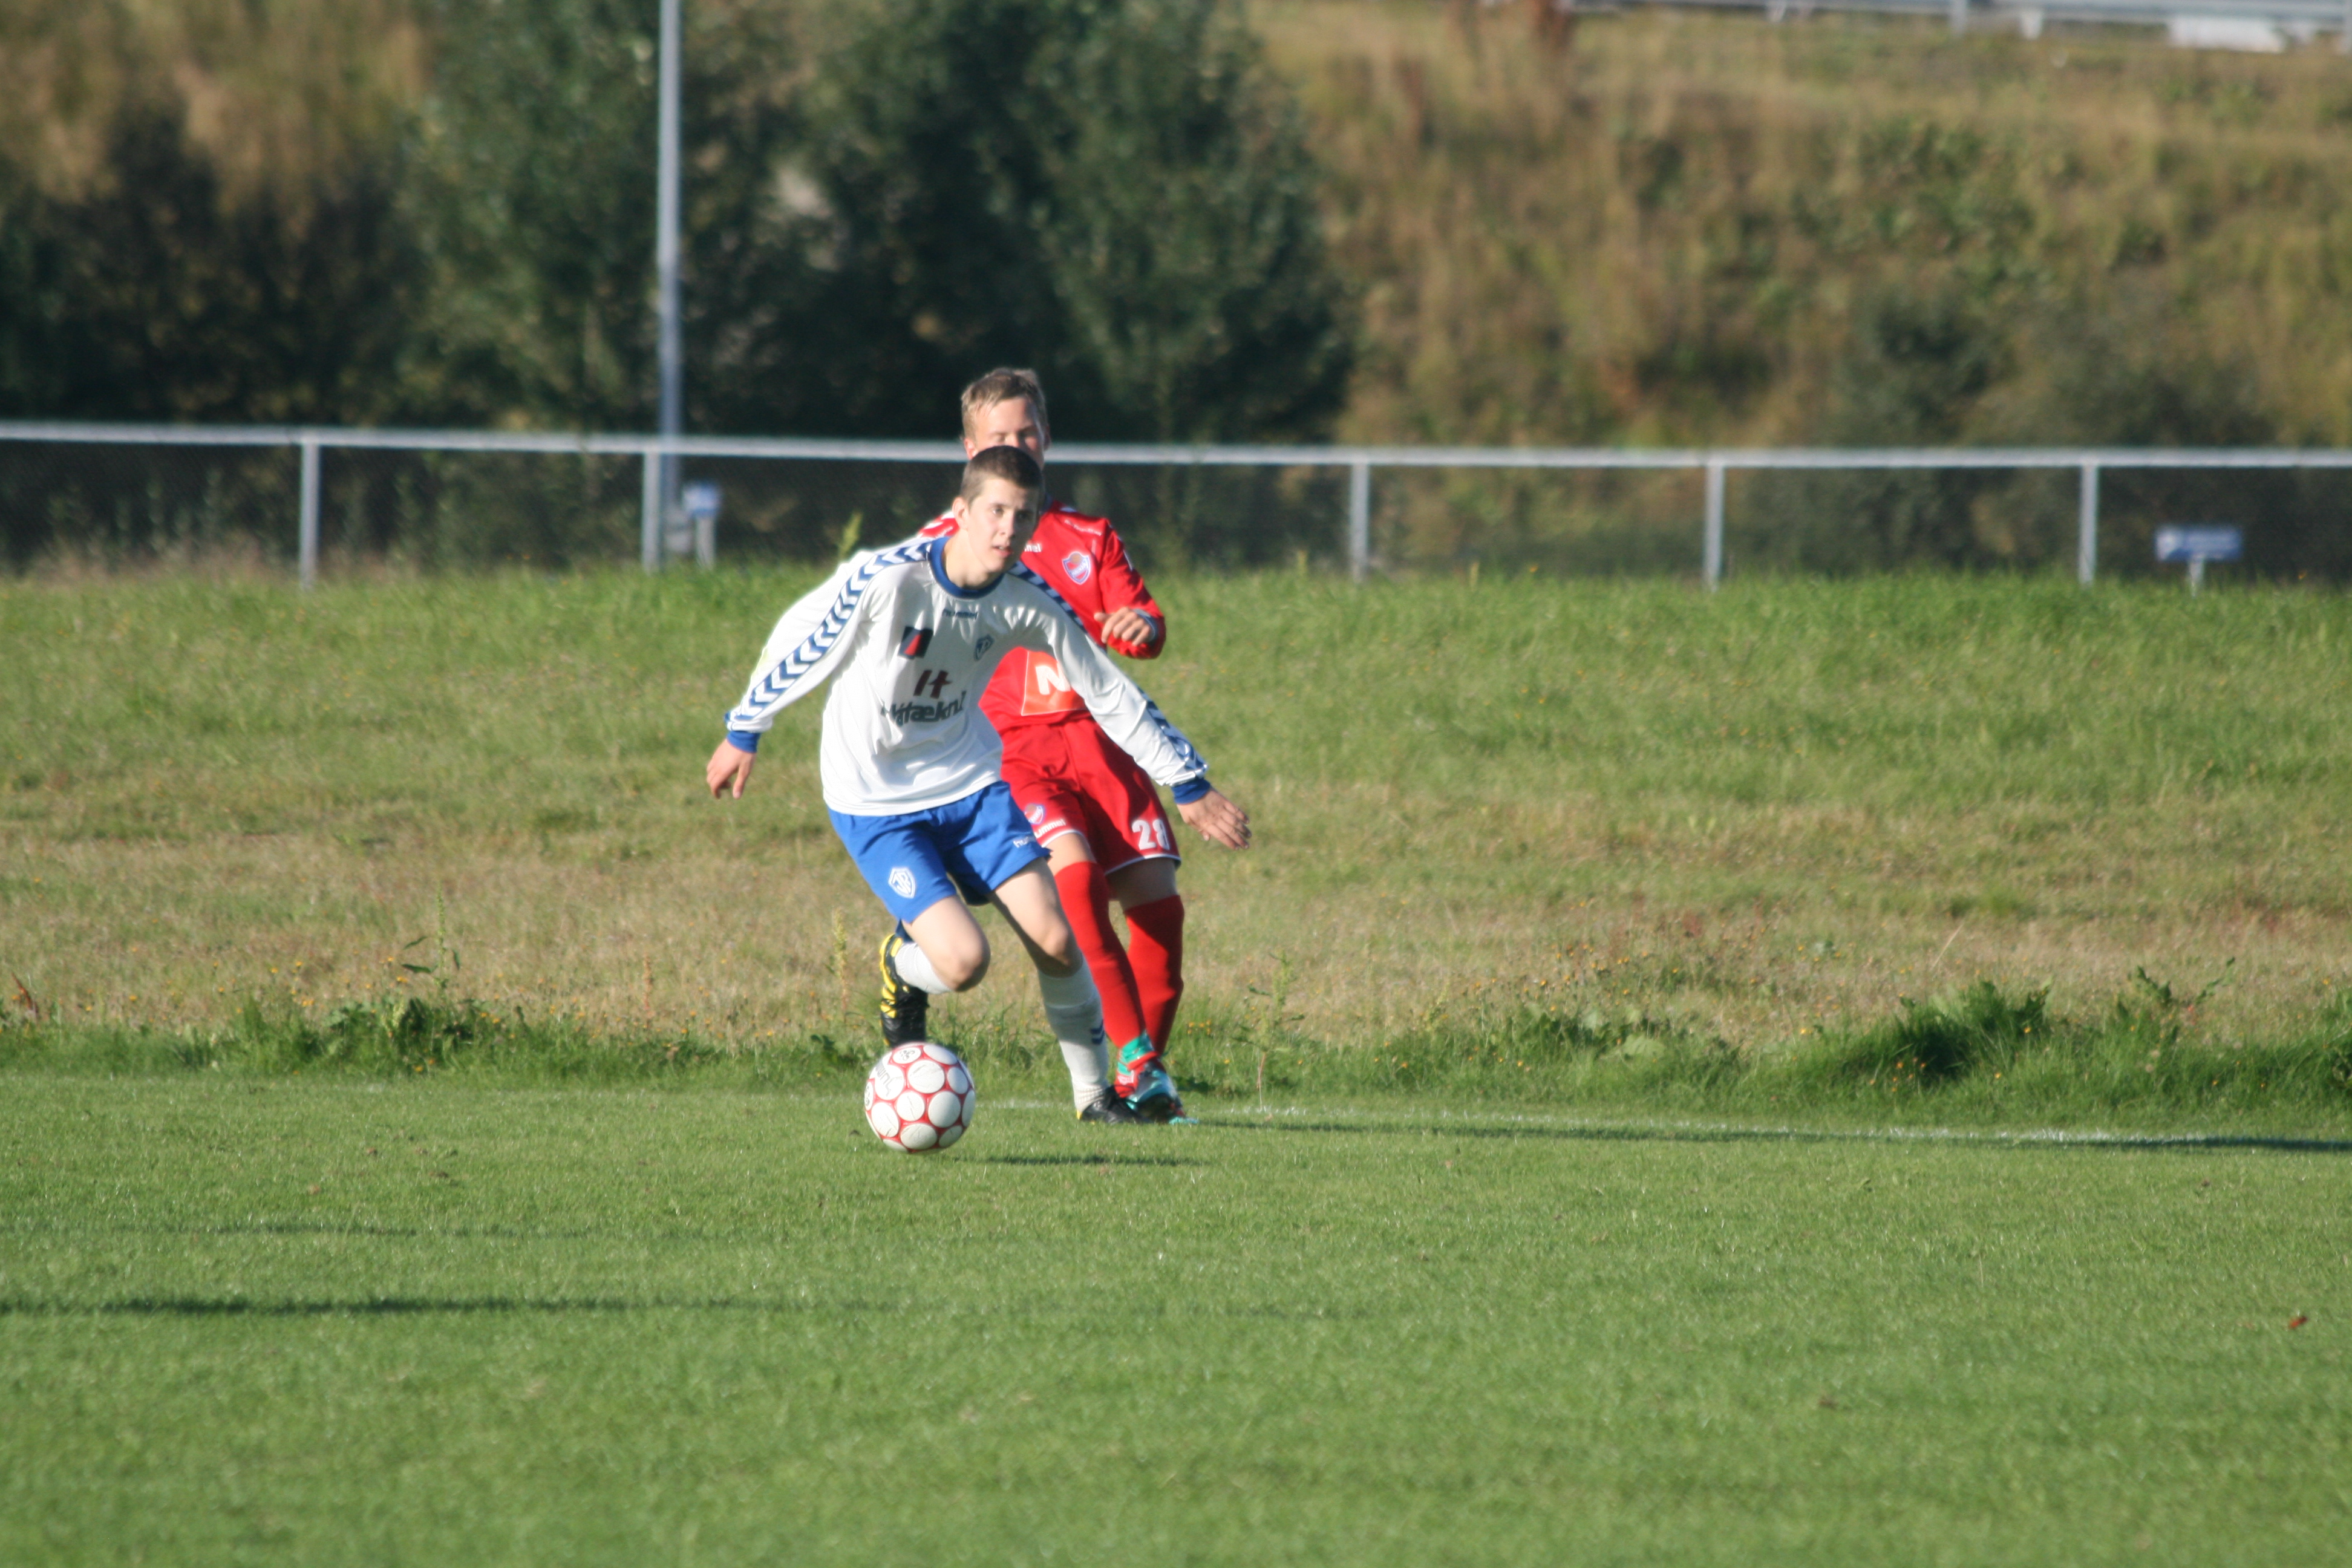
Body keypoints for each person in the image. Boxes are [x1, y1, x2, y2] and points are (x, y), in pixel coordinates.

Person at [705, 443, 1250, 1125]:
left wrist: (1188, 782)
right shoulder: (892, 580)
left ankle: (1094, 1100)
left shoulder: (1026, 599)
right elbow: (808, 641)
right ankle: (902, 966)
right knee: (965, 964)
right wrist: (746, 727)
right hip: (876, 798)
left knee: (1057, 940)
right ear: (960, 512)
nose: (1006, 530)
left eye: (1022, 517)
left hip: (968, 784)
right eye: (994, 511)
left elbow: (1108, 691)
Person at [909, 369, 1199, 1122]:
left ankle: (1142, 1078)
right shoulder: (945, 542)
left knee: (1160, 909)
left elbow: (1142, 621)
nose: (1018, 445)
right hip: (1013, 751)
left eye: (1028, 432)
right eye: (999, 436)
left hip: (1100, 745)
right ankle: (1130, 1061)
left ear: (1048, 436)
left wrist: (1141, 628)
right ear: (970, 449)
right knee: (1075, 887)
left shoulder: (1089, 537)